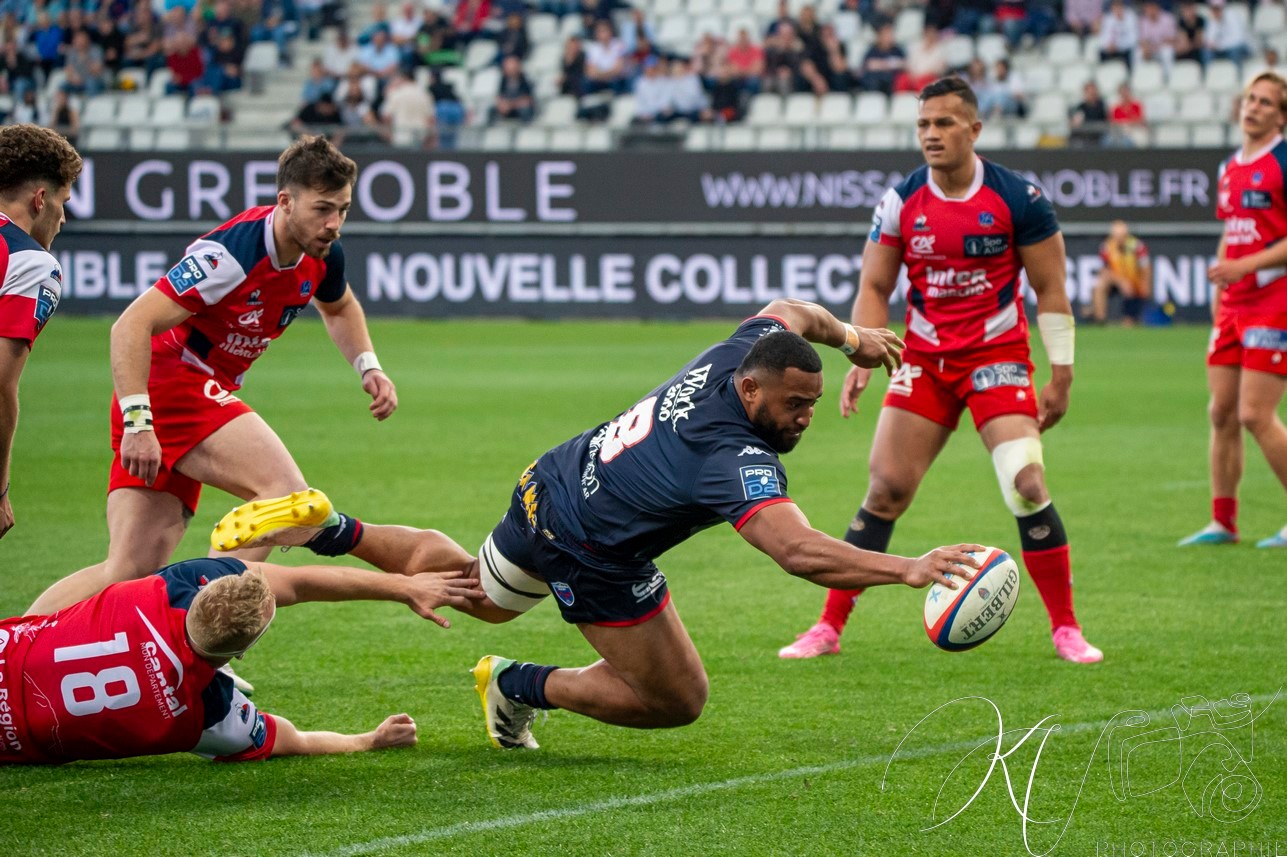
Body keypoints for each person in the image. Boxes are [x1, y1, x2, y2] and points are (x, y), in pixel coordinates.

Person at [211, 300, 985, 750]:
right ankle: (517, 683)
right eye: (793, 405)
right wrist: (907, 568)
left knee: (478, 593)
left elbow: (791, 310)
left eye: (811, 403)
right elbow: (795, 550)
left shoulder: (746, 348)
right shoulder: (730, 453)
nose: (805, 418)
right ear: (749, 392)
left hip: (555, 478)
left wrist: (850, 339)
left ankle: (331, 527)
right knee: (678, 699)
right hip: (594, 549)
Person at [777, 77, 1104, 665]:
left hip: (997, 358)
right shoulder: (901, 200)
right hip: (924, 360)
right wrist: (861, 351)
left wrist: (1062, 373)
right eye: (924, 124)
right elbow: (874, 285)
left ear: (974, 130)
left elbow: (1052, 289)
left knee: (1027, 483)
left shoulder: (1019, 198)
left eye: (944, 123)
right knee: (885, 489)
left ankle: (1066, 629)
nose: (931, 134)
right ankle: (827, 627)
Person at [26, 136, 398, 645]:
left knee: (129, 568)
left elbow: (339, 307)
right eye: (322, 209)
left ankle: (13, 647)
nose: (334, 223)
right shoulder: (232, 253)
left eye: (343, 209)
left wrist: (368, 366)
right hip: (169, 384)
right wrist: (139, 422)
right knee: (285, 498)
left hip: (190, 394)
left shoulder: (323, 254)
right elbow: (130, 325)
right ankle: (205, 642)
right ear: (285, 202)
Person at [0, 555, 482, 764]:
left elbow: (295, 582)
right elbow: (293, 740)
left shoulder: (165, 588)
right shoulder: (209, 714)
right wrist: (367, 741)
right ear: (242, 653)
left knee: (120, 568)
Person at [1178, 71, 1287, 549]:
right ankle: (1223, 522)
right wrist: (1220, 298)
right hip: (1234, 305)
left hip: (1274, 299)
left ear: (1281, 116)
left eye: (1265, 102)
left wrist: (1245, 266)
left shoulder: (1283, 161)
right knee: (1220, 411)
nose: (1253, 108)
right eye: (1250, 99)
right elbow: (1231, 232)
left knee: (1255, 414)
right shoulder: (1229, 167)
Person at [0, 125, 83, 542]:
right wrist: (0, 488)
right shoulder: (29, 262)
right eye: (62, 202)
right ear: (39, 199)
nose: (63, 218)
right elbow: (0, 384)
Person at [1086, 220, 1151, 325]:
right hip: (1115, 281)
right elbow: (1103, 270)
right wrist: (1120, 281)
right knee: (1098, 286)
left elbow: (1145, 267)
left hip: (1134, 282)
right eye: (1116, 236)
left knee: (1129, 321)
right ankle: (1100, 319)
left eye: (1122, 236)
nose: (1119, 239)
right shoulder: (1107, 246)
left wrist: (1145, 284)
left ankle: (1129, 319)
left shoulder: (1137, 246)